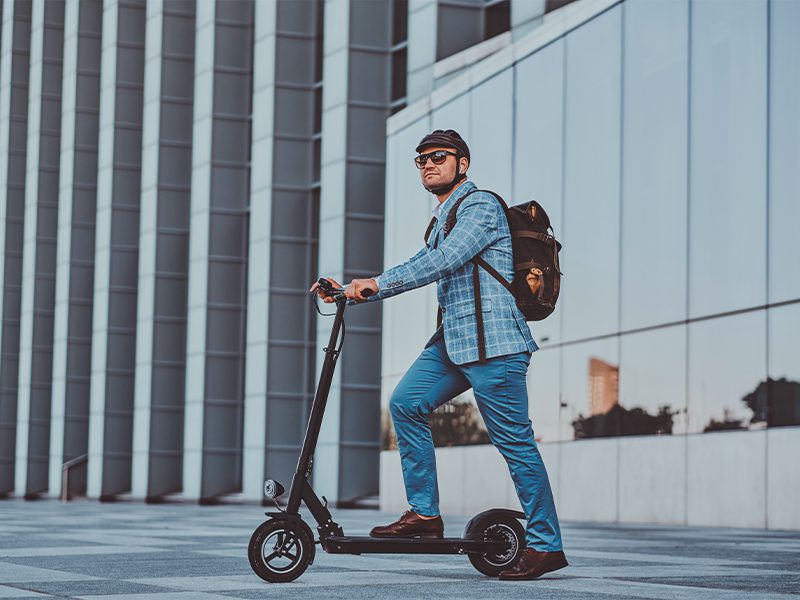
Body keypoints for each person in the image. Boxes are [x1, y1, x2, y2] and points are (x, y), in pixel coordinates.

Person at [309, 129, 567, 580]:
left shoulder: (481, 206)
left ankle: (546, 545)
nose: (429, 164)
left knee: (515, 444)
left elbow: (444, 261)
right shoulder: (441, 219)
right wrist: (353, 287)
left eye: (439, 156)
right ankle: (424, 516)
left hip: (497, 346)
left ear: (462, 164)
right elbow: (417, 262)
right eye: (422, 159)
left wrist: (378, 284)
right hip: (454, 342)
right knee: (406, 403)